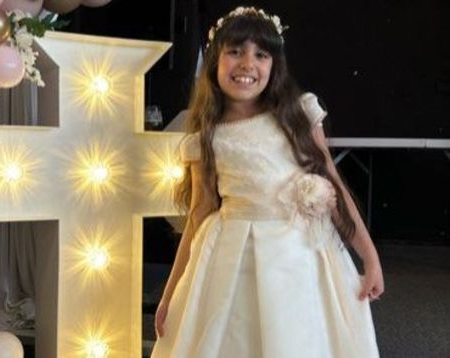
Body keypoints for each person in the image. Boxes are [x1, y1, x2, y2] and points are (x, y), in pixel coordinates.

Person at [151, 6, 384, 358]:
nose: (248, 64)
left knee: (299, 339)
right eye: (235, 52)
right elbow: (198, 214)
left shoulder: (300, 113)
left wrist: (370, 258)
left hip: (301, 254)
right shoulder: (205, 138)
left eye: (261, 55)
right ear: (215, 61)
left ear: (275, 65)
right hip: (233, 254)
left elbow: (333, 184)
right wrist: (170, 294)